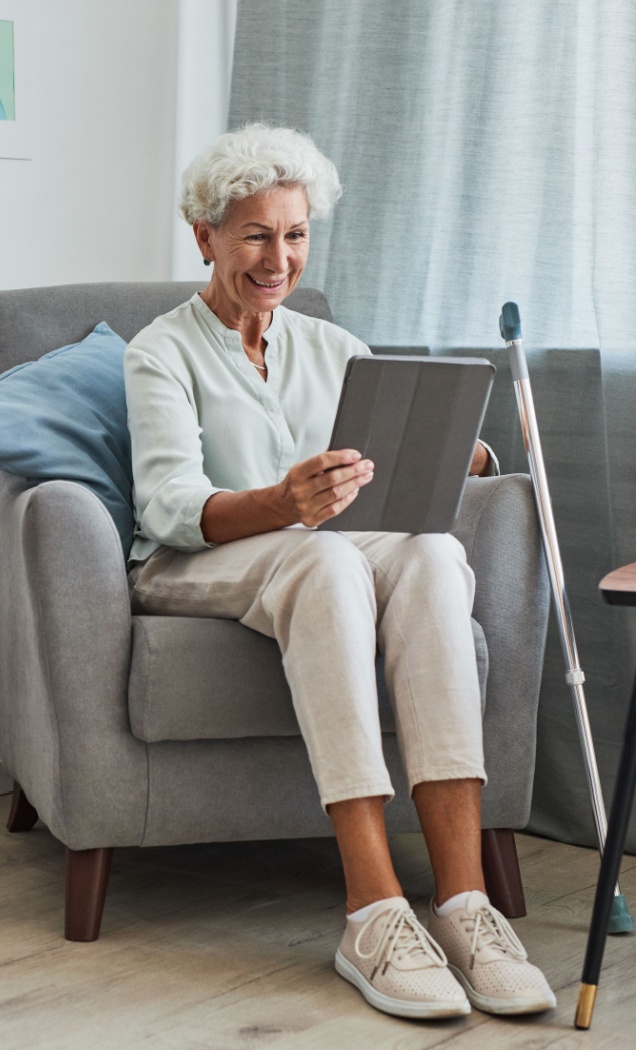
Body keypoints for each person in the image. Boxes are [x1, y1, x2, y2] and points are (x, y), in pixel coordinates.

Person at [124, 123, 554, 1021]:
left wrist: (448, 455)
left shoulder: (333, 344)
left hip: (320, 550)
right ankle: (372, 909)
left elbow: (375, 484)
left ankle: (466, 904)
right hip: (193, 561)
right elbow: (170, 507)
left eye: (294, 234)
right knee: (324, 561)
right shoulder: (159, 352)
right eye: (253, 235)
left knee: (434, 551)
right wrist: (286, 501)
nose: (277, 257)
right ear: (203, 236)